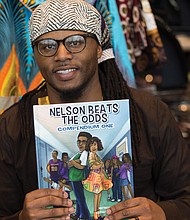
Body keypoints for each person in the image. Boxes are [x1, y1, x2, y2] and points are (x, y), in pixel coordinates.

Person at [0, 0, 189, 219]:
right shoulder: (12, 126)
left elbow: (185, 199)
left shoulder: (149, 113)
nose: (61, 55)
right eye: (48, 46)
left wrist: (163, 213)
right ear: (36, 54)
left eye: (75, 42)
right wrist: (22, 217)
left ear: (99, 49)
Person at [82, 137, 112, 220]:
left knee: (99, 195)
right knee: (96, 195)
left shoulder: (96, 155)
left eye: (95, 144)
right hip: (95, 178)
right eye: (91, 145)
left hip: (99, 178)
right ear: (89, 147)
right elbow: (93, 166)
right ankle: (96, 215)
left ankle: (97, 214)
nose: (93, 147)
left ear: (98, 145)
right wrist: (101, 164)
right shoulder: (91, 155)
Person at [68, 132, 92, 220]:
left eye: (83, 141)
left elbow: (81, 166)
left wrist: (73, 162)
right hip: (74, 179)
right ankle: (78, 214)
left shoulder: (85, 153)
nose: (80, 144)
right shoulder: (79, 153)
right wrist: (75, 162)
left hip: (78, 178)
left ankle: (85, 216)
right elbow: (68, 164)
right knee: (78, 198)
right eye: (79, 141)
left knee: (80, 198)